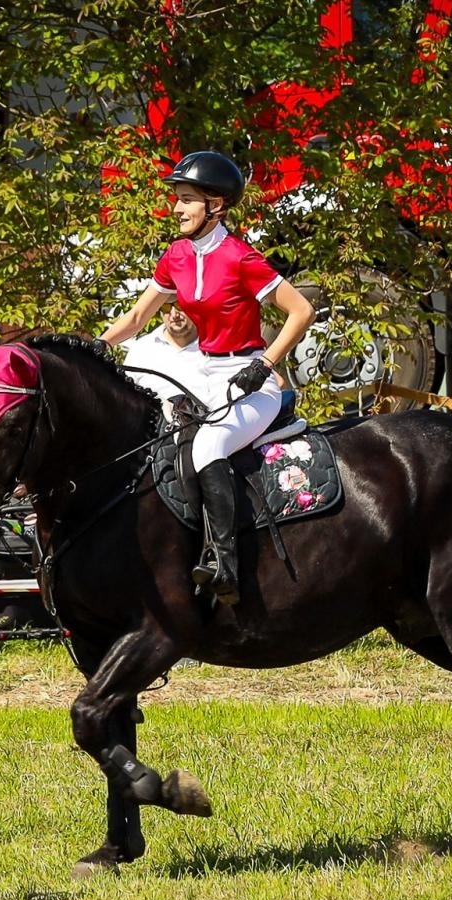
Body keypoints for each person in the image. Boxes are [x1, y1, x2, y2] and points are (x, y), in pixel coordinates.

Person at [98, 150, 315, 605]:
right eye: (176, 199)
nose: (176, 208)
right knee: (161, 445)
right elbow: (137, 317)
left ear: (215, 205)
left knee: (209, 446)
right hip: (203, 375)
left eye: (186, 200)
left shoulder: (241, 257)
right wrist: (95, 348)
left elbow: (302, 310)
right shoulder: (176, 256)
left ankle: (225, 564)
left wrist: (265, 363)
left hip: (250, 379)